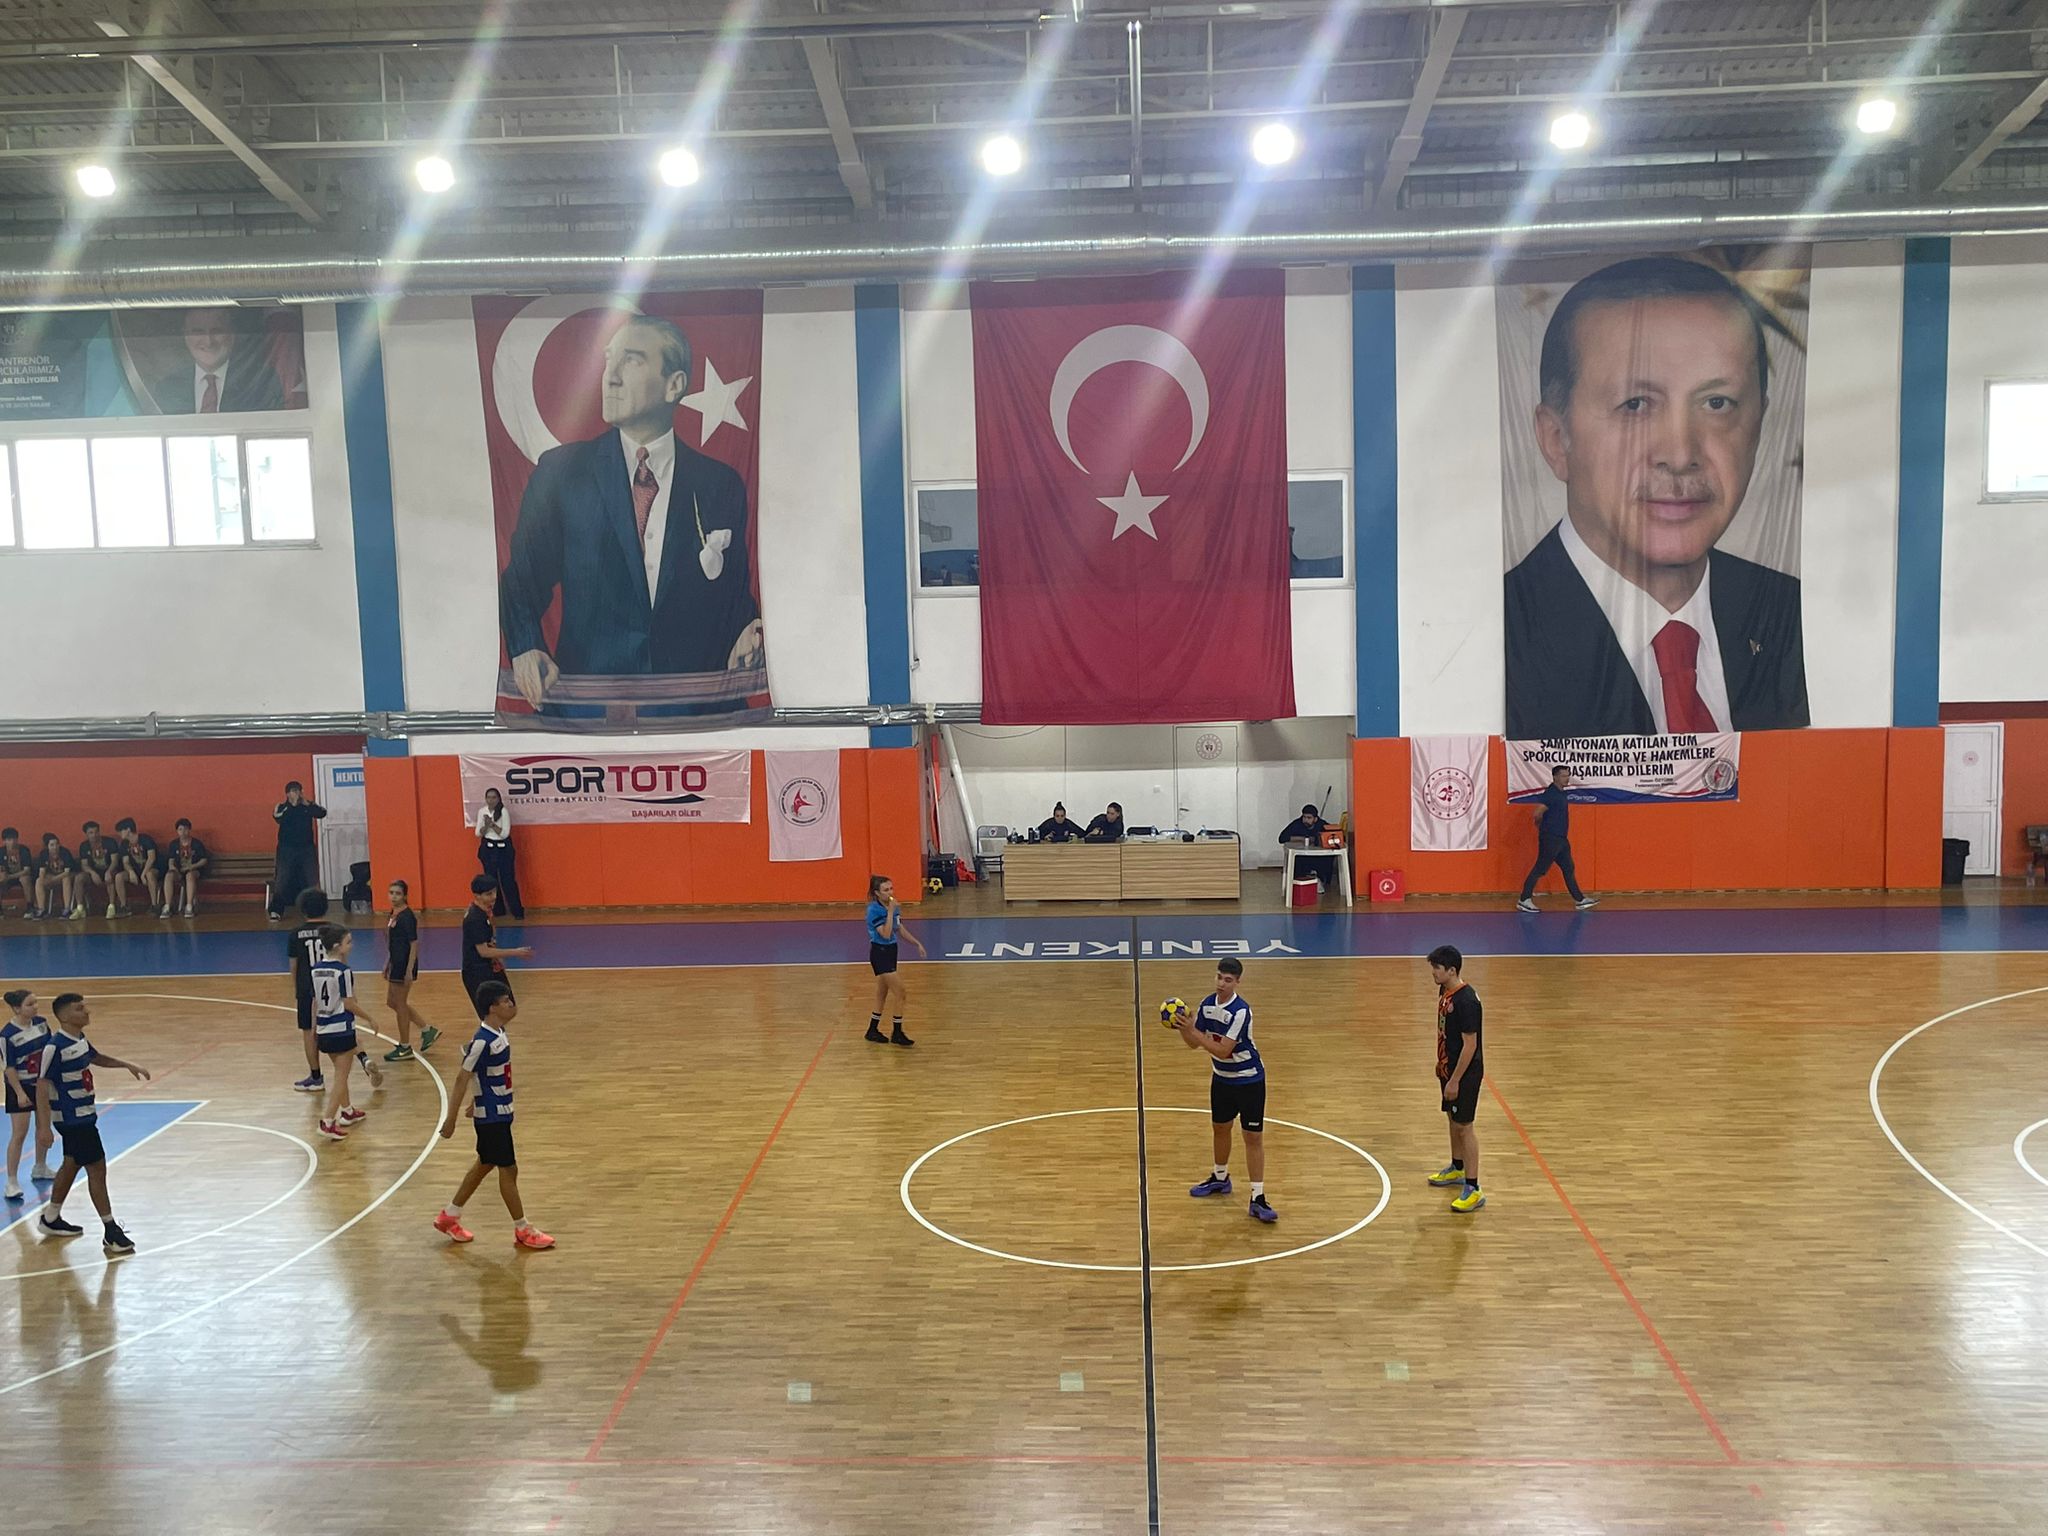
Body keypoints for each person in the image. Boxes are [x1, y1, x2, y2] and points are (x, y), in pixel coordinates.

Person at [1505, 256, 1809, 739]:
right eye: (1636, 405)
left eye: (1717, 403)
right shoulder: (1497, 639)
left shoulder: (1797, 617)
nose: (1680, 455)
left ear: (1758, 425)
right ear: (1556, 439)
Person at [498, 315, 763, 714]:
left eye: (632, 360)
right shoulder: (561, 473)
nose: (611, 376)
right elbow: (522, 579)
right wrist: (526, 645)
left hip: (698, 714)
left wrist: (746, 630)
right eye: (609, 360)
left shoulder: (719, 483)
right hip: (589, 715)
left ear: (674, 385)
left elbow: (733, 592)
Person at [434, 980, 553, 1250]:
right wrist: (451, 1119)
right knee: (508, 1169)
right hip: (492, 1117)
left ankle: (449, 1216)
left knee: (485, 1164)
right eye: (505, 1001)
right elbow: (462, 1078)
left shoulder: (499, 1034)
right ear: (492, 1008)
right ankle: (522, 1229)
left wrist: (475, 1098)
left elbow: (481, 1074)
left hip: (499, 1111)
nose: (511, 1005)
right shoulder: (482, 1041)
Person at [35, 993, 150, 1255]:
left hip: (84, 1115)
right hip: (73, 1119)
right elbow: (42, 1086)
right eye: (80, 1008)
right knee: (97, 1168)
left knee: (72, 1163)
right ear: (65, 1016)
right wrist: (43, 1127)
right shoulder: (55, 1047)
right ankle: (111, 1231)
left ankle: (50, 1218)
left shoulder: (79, 1039)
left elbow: (95, 1057)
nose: (87, 1011)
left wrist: (126, 1064)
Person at [1173, 958, 1277, 1223]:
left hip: (1249, 1080)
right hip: (1222, 1079)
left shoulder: (1241, 1011)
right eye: (1219, 977)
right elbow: (1193, 1044)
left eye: (1228, 980)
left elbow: (1222, 1050)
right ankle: (1220, 1178)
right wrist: (1184, 1028)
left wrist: (1194, 1031)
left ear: (1237, 982)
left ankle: (1258, 1197)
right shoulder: (1207, 1004)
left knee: (1252, 1137)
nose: (1221, 983)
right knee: (1220, 1128)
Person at [1426, 945, 1487, 1213]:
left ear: (1452, 970)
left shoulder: (1467, 1001)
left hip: (1465, 1074)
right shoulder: (1445, 991)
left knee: (1465, 1126)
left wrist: (1455, 1081)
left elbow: (1470, 1045)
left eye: (1437, 969)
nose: (1433, 973)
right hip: (1449, 1069)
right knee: (1452, 1119)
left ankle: (1473, 1188)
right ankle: (1457, 1167)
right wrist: (1442, 1063)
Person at [153, 305, 285, 414]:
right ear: (186, 336)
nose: (208, 341)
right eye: (198, 332)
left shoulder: (260, 383)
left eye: (217, 331)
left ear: (232, 335)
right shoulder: (167, 389)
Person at [309, 924, 376, 1142]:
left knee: (340, 1072)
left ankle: (347, 1111)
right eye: (348, 942)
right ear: (338, 946)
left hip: (324, 1028)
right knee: (341, 1077)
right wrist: (370, 1018)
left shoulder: (315, 969)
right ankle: (328, 1121)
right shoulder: (343, 971)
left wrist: (314, 1028)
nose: (352, 945)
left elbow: (315, 1001)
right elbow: (348, 1003)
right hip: (341, 1029)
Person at [1516, 765, 1599, 913]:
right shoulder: (1551, 793)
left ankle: (1580, 900)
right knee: (1540, 869)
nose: (1566, 778)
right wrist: (1543, 828)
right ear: (1555, 777)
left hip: (1561, 839)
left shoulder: (1561, 793)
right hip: (1551, 838)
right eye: (1563, 776)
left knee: (1568, 868)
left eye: (1567, 775)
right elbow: (1537, 813)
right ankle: (1524, 899)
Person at [3, 988, 56, 1200]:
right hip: (20, 1086)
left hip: (41, 1085)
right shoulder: (7, 1035)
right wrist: (19, 1093)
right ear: (17, 1009)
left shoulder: (42, 1024)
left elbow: (50, 1052)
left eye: (36, 1003)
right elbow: (9, 1068)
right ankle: (12, 1181)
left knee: (43, 1126)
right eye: (30, 1004)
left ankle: (40, 1166)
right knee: (19, 1133)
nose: (35, 1007)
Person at [864, 874, 926, 1047]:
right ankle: (897, 1032)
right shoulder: (874, 910)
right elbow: (885, 933)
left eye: (891, 888)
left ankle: (872, 1030)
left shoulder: (893, 906)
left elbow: (899, 929)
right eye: (885, 890)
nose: (890, 893)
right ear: (877, 893)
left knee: (881, 993)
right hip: (880, 952)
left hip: (891, 951)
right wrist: (890, 912)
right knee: (901, 992)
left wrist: (916, 943)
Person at [382, 879, 440, 1063]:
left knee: (400, 1004)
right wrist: (387, 961)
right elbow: (392, 942)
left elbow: (414, 943)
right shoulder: (393, 914)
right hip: (395, 962)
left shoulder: (407, 917)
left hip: (403, 964)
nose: (394, 897)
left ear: (405, 895)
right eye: (391, 893)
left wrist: (409, 969)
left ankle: (405, 1046)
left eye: (398, 893)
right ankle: (426, 1029)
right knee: (392, 1002)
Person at [461, 875, 532, 1019]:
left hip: (491, 968)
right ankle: (489, 1034)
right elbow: (483, 951)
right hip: (478, 972)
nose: (494, 897)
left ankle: (494, 1033)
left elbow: (490, 940)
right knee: (491, 1015)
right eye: (488, 894)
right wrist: (515, 952)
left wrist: (499, 960)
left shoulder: (486, 912)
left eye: (494, 892)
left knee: (509, 1008)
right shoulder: (475, 919)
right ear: (477, 895)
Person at [268, 781, 327, 922]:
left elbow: (322, 813)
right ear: (287, 794)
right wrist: (291, 805)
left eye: (298, 791)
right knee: (282, 879)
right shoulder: (281, 807)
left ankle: (314, 912)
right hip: (286, 849)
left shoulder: (308, 806)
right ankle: (276, 910)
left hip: (306, 848)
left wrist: (308, 804)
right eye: (293, 791)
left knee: (311, 879)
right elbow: (278, 817)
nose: (297, 793)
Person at [474, 788, 525, 920]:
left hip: (503, 849)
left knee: (508, 880)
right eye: (488, 797)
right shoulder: (482, 812)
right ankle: (498, 910)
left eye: (494, 797)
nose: (491, 800)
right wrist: (486, 825)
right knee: (491, 881)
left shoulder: (503, 812)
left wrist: (492, 824)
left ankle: (517, 910)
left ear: (499, 799)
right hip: (488, 849)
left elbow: (504, 834)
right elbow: (478, 833)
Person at [161, 818, 210, 918]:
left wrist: (191, 866)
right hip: (178, 871)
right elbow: (171, 860)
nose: (183, 832)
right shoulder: (174, 844)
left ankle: (189, 906)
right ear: (177, 831)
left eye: (185, 829)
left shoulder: (197, 843)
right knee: (168, 876)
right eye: (180, 829)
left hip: (194, 870)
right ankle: (168, 906)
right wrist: (173, 869)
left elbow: (204, 860)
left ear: (189, 830)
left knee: (189, 876)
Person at [111, 817, 160, 918]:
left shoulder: (145, 839)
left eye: (121, 831)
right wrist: (131, 872)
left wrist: (143, 874)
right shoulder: (124, 844)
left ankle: (154, 905)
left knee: (149, 874)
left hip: (151, 868)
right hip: (136, 870)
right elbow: (125, 862)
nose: (119, 834)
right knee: (119, 877)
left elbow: (151, 858)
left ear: (128, 830)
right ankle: (124, 906)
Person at [76, 820, 118, 919]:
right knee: (79, 878)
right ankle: (80, 908)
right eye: (91, 833)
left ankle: (111, 907)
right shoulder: (84, 846)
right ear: (86, 834)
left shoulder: (110, 842)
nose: (94, 835)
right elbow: (84, 865)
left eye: (96, 832)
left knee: (110, 877)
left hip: (109, 869)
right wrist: (92, 873)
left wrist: (109, 871)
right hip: (93, 872)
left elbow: (115, 861)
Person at [32, 832, 78, 921]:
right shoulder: (43, 854)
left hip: (68, 875)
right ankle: (41, 909)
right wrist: (43, 880)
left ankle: (67, 909)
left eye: (57, 844)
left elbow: (67, 872)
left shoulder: (65, 852)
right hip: (52, 876)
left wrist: (53, 879)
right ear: (47, 847)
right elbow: (42, 871)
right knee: (39, 881)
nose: (55, 847)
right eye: (52, 845)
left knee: (66, 879)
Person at [0, 827, 34, 916]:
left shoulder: (24, 850)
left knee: (25, 879)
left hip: (20, 876)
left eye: (14, 839)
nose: (12, 842)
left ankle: (30, 907)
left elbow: (27, 870)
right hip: (6, 878)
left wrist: (10, 876)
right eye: (9, 840)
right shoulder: (1, 852)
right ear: (4, 841)